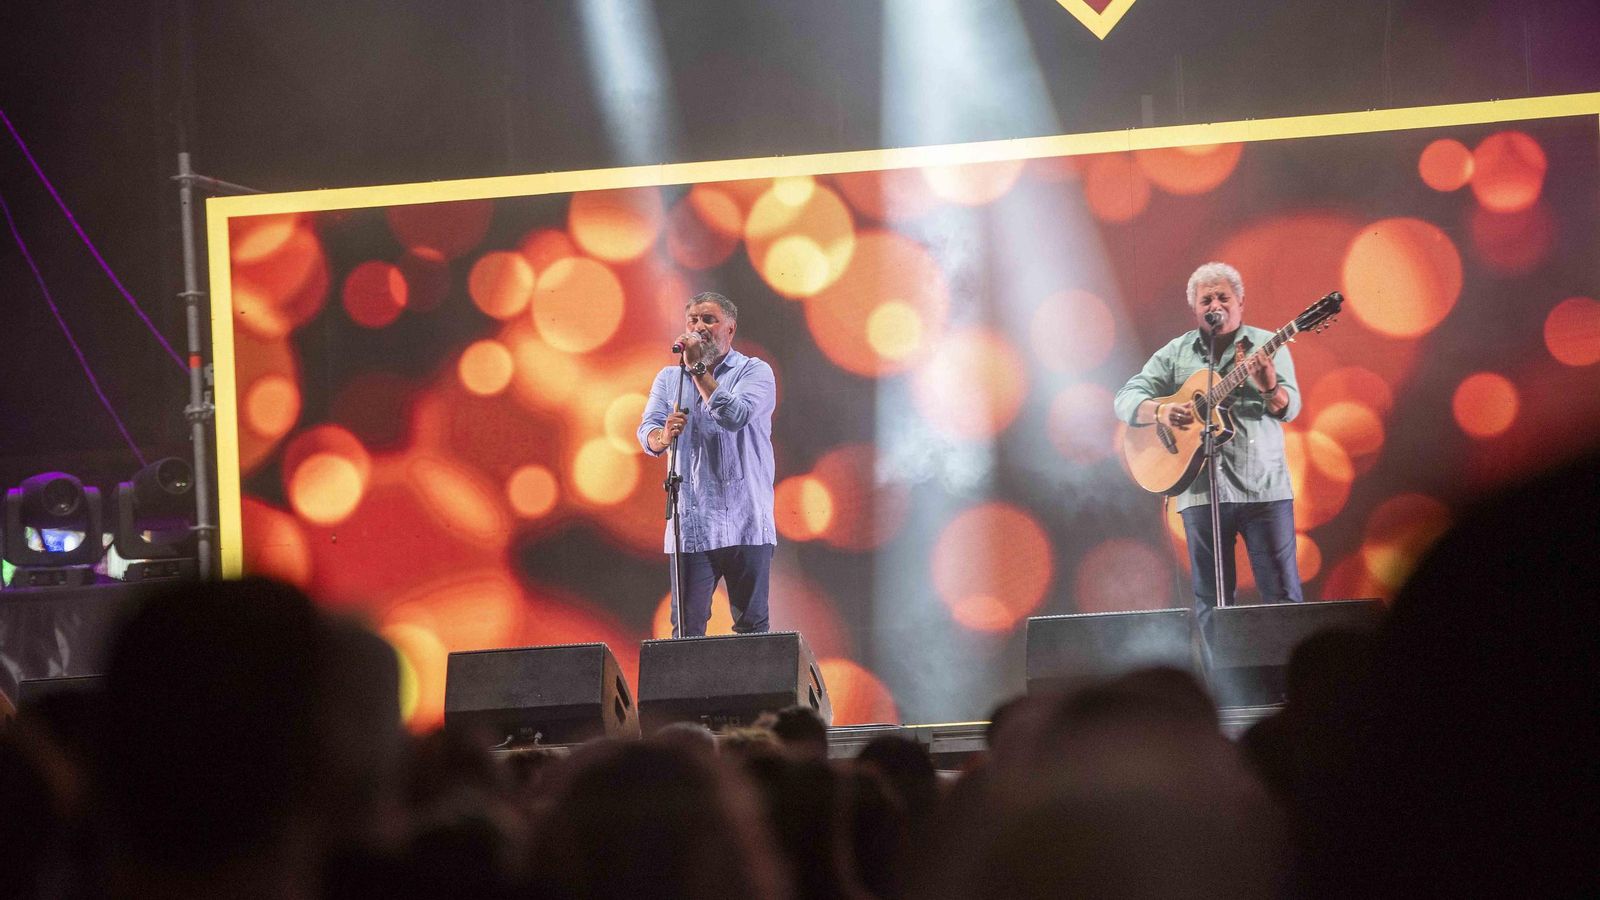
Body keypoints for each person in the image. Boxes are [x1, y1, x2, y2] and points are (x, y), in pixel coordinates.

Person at [1113, 262, 1303, 638]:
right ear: (1195, 308)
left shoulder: (1268, 344)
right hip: (1199, 490)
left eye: (1223, 297)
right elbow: (1125, 398)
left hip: (1263, 487)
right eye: (1206, 299)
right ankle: (1223, 689)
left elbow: (1290, 408)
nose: (1215, 304)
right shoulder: (1176, 353)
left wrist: (1269, 388)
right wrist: (1164, 410)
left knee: (1281, 594)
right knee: (1211, 602)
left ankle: (1290, 688)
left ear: (1240, 302)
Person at [638, 291, 778, 637]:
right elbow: (647, 431)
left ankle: (754, 693)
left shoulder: (755, 372)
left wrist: (698, 368)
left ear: (730, 328)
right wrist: (663, 436)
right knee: (686, 634)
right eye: (693, 320)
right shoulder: (669, 379)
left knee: (752, 630)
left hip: (746, 521)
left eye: (708, 320)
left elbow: (735, 415)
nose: (699, 327)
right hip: (692, 525)